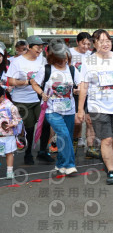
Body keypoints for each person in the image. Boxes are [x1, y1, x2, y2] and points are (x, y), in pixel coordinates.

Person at [77, 30, 113, 185]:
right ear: (94, 44)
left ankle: (106, 156)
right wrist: (80, 109)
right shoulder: (89, 62)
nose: (105, 44)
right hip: (98, 107)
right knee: (107, 140)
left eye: (108, 40)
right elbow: (84, 86)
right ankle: (111, 171)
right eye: (101, 41)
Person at [30, 42, 80, 175]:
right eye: (60, 59)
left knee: (67, 137)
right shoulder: (46, 69)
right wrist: (42, 93)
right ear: (53, 58)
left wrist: (77, 90)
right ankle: (70, 165)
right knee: (63, 134)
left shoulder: (72, 69)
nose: (64, 61)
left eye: (66, 58)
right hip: (51, 110)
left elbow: (80, 84)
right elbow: (34, 83)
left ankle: (60, 164)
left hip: (69, 109)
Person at [7, 35, 52, 165]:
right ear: (28, 47)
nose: (40, 50)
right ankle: (28, 153)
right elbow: (10, 81)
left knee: (46, 123)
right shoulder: (18, 62)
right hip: (22, 100)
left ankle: (43, 152)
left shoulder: (43, 60)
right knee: (30, 128)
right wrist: (27, 82)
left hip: (39, 98)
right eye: (38, 47)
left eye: (42, 47)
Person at [69, 32, 99, 157]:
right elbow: (65, 71)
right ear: (77, 42)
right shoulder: (70, 53)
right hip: (74, 92)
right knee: (77, 121)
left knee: (90, 121)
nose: (86, 47)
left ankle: (90, 148)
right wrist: (73, 88)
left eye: (88, 44)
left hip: (88, 91)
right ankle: (74, 143)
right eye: (83, 44)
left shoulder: (92, 55)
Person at [0, 85, 22, 179]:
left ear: (2, 96)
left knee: (9, 153)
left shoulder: (10, 106)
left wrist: (12, 124)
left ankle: (9, 171)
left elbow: (18, 119)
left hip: (8, 135)